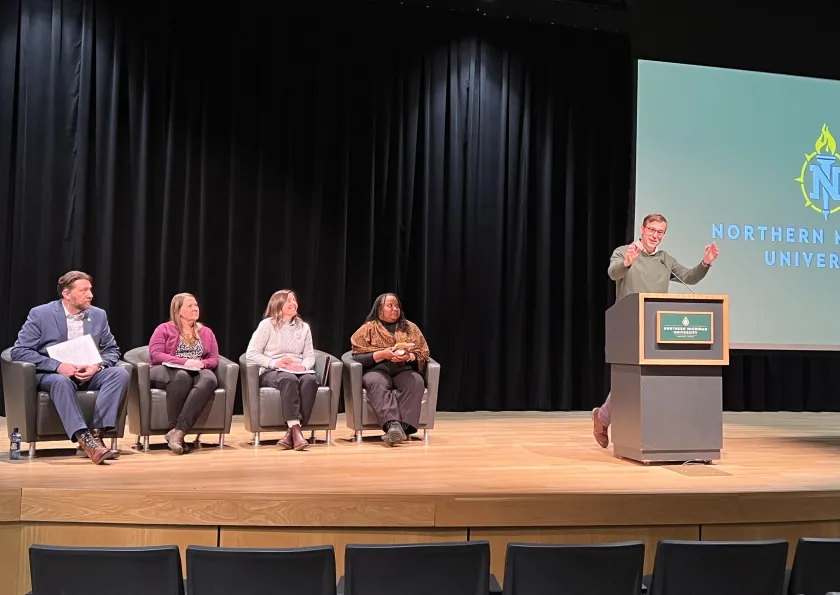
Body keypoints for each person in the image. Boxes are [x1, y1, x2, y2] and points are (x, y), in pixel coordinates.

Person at [592, 213, 720, 448]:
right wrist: (628, 262)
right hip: (627, 325)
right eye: (652, 230)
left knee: (642, 378)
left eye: (660, 232)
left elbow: (689, 278)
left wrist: (705, 263)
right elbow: (613, 273)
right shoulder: (625, 251)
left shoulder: (664, 259)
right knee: (628, 378)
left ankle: (607, 418)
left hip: (656, 327)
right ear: (642, 229)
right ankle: (603, 418)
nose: (655, 236)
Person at [10, 271, 130, 464]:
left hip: (88, 373)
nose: (90, 294)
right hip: (53, 375)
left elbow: (112, 350)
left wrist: (97, 367)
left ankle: (96, 433)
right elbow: (20, 351)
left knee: (119, 373)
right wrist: (57, 366)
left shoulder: (98, 315)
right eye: (84, 290)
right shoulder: (41, 314)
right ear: (67, 294)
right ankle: (85, 440)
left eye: (90, 289)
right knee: (61, 382)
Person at [350, 293, 430, 446]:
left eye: (397, 306)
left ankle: (403, 429)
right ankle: (393, 425)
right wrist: (381, 354)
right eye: (390, 305)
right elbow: (357, 356)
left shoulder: (410, 328)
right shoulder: (368, 329)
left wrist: (408, 357)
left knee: (416, 382)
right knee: (375, 382)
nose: (395, 309)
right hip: (377, 370)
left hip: (403, 369)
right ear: (379, 309)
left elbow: (424, 352)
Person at [148, 293, 219, 455]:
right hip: (167, 369)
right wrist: (184, 362)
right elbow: (156, 354)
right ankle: (176, 429)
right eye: (190, 306)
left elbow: (214, 358)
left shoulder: (206, 332)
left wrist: (203, 363)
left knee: (209, 379)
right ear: (178, 310)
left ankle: (178, 431)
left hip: (196, 368)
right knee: (181, 377)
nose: (195, 308)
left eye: (196, 305)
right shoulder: (164, 329)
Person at [245, 290, 317, 451]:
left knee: (311, 381)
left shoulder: (304, 327)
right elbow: (251, 353)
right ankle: (297, 431)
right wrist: (275, 362)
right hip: (272, 371)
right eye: (288, 300)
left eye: (294, 300)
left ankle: (292, 432)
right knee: (288, 380)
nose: (293, 303)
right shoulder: (267, 325)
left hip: (298, 370)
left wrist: (304, 366)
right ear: (278, 304)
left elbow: (310, 355)